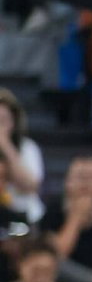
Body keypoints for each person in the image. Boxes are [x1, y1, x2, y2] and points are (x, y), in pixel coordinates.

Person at [0, 87, 44, 224]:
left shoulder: (28, 148)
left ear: (14, 121)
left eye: (2, 121)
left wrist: (5, 144)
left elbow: (29, 185)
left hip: (25, 217)